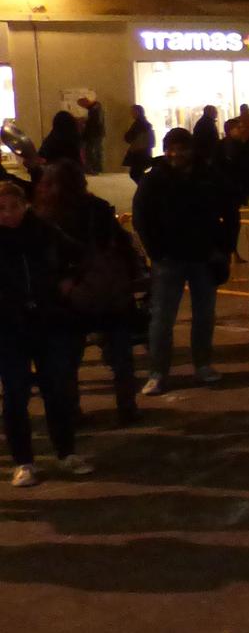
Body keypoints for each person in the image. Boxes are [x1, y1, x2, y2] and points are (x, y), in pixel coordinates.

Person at [35, 160, 143, 425]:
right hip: (107, 291)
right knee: (120, 356)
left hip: (70, 297)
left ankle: (72, 411)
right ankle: (127, 406)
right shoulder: (99, 209)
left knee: (68, 359)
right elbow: (119, 245)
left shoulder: (46, 218)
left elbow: (44, 260)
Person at [133, 127, 238, 394]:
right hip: (169, 258)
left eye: (182, 147)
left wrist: (224, 248)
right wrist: (156, 251)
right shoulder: (155, 179)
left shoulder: (210, 176)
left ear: (192, 149)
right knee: (162, 318)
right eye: (171, 148)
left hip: (203, 256)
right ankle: (157, 372)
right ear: (165, 150)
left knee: (204, 315)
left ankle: (203, 365)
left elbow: (231, 212)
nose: (176, 153)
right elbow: (141, 217)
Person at [1, 178, 91, 486]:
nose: (9, 214)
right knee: (15, 395)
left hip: (47, 320)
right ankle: (24, 462)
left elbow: (78, 254)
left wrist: (68, 279)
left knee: (57, 390)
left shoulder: (43, 231)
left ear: (25, 205)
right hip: (8, 328)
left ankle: (65, 452)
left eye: (15, 206)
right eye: (2, 209)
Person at [123, 105, 156, 183]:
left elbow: (129, 137)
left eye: (133, 111)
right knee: (137, 173)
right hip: (143, 151)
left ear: (138, 112)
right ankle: (145, 187)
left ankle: (145, 188)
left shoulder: (139, 123)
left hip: (139, 152)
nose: (131, 114)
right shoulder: (143, 123)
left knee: (135, 173)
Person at [80, 94, 106, 174]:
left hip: (94, 134)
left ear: (86, 101)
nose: (83, 107)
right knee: (97, 151)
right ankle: (97, 168)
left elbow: (95, 122)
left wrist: (85, 122)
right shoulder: (96, 108)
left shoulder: (95, 109)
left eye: (82, 105)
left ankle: (94, 169)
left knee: (92, 151)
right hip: (97, 133)